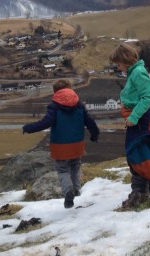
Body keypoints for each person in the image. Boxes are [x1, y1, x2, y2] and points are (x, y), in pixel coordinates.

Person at [22, 79, 99, 209]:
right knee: (75, 165)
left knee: (63, 169)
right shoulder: (79, 104)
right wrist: (95, 134)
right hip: (77, 143)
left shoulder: (54, 106)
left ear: (55, 91)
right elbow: (89, 121)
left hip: (60, 145)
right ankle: (76, 189)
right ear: (70, 88)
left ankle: (68, 191)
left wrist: (28, 128)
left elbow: (45, 123)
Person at [109, 43, 150, 209]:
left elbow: (148, 97)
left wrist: (134, 116)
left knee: (136, 155)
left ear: (126, 59)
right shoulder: (134, 72)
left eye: (118, 64)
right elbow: (135, 96)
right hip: (136, 119)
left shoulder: (138, 73)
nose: (118, 67)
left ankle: (138, 193)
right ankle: (147, 188)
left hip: (139, 120)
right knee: (141, 152)